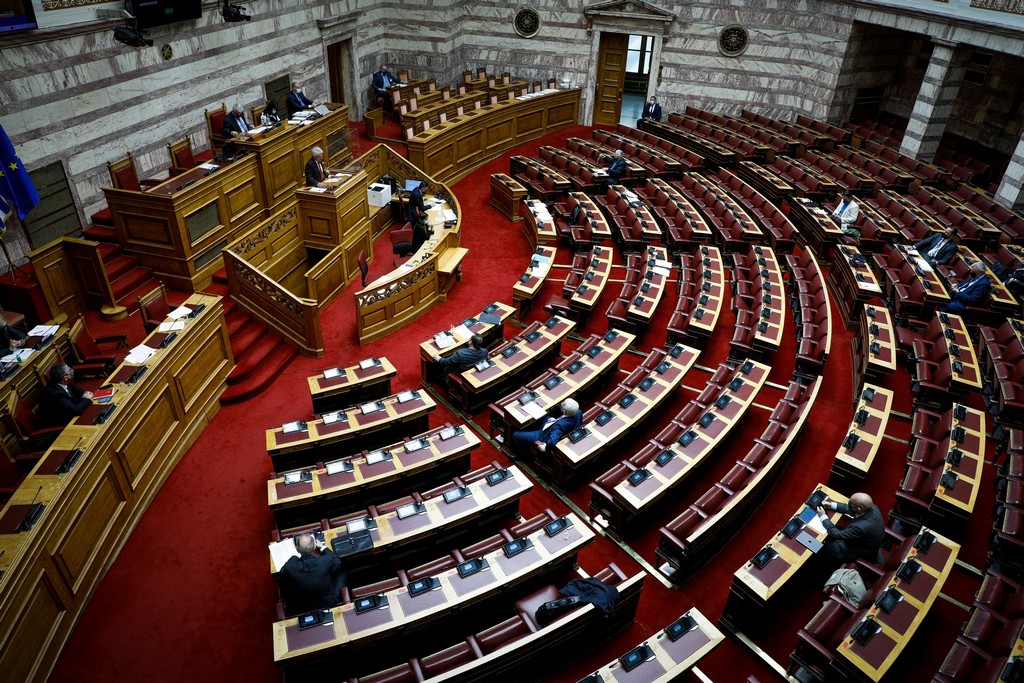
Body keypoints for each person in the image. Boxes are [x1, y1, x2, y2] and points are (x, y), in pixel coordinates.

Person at [278, 532, 346, 615]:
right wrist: (323, 547)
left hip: (301, 608)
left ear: (297, 549)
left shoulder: (291, 567)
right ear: (314, 547)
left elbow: (282, 572)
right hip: (327, 603)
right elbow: (337, 561)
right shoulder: (325, 561)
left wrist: (294, 556)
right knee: (341, 573)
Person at [815, 492, 885, 565]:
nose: (849, 505)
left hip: (859, 549)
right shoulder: (872, 507)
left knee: (827, 548)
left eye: (851, 504)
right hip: (864, 539)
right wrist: (831, 505)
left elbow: (837, 534)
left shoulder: (860, 527)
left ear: (859, 508)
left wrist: (823, 517)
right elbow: (852, 510)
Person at [511, 399, 583, 454]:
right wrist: (554, 421)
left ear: (564, 411)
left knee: (515, 434)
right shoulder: (579, 412)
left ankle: (520, 452)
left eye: (563, 404)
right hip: (559, 425)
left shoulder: (559, 426)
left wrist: (546, 448)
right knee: (545, 416)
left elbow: (552, 442)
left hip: (542, 435)